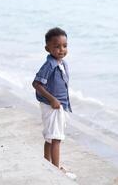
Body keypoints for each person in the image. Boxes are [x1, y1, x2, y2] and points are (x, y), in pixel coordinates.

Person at [32, 27, 72, 170]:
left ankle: (47, 164)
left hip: (59, 105)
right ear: (47, 48)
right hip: (51, 105)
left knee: (51, 136)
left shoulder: (63, 63)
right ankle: (56, 169)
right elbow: (36, 84)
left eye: (65, 46)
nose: (61, 50)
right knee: (56, 138)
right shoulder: (49, 64)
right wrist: (52, 99)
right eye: (57, 46)